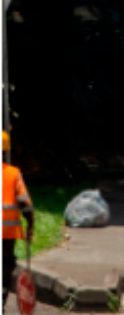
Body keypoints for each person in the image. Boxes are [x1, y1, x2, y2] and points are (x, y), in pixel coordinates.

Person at [2, 131, 35, 307]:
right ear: (6, 152)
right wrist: (30, 225)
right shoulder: (13, 174)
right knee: (5, 268)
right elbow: (26, 204)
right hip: (6, 234)